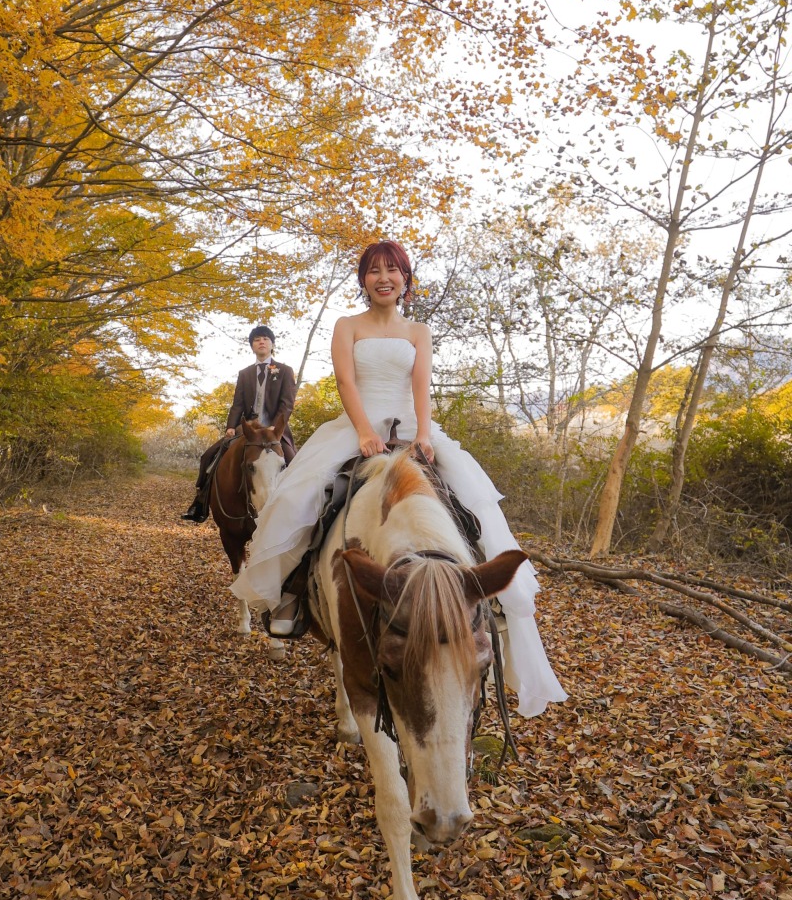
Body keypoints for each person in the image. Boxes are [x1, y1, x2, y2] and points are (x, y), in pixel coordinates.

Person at [230, 242, 566, 717]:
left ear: (406, 279)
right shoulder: (347, 325)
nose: (383, 277)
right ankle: (292, 594)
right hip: (357, 426)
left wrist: (424, 434)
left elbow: (420, 384)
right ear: (363, 280)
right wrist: (364, 432)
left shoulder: (418, 331)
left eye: (392, 270)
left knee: (470, 499)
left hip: (410, 426)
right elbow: (346, 382)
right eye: (374, 271)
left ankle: (490, 601)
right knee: (300, 496)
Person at [181, 325, 297, 523]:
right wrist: (230, 427)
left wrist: (274, 427)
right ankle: (200, 503)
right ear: (252, 346)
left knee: (294, 462)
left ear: (272, 344)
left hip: (275, 430)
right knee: (208, 456)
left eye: (265, 339)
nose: (261, 342)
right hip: (248, 427)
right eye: (257, 339)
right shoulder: (245, 374)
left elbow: (287, 403)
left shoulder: (285, 371)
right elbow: (238, 404)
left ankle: (298, 511)